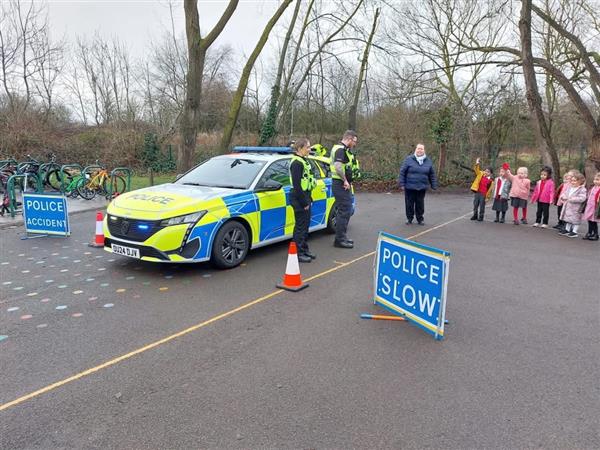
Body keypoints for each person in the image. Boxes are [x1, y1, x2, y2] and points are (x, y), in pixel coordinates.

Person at [330, 130, 360, 248]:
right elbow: (338, 167)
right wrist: (345, 180)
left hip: (341, 184)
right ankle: (339, 240)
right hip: (340, 184)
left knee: (345, 210)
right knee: (344, 210)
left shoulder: (342, 149)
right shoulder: (340, 149)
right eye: (354, 141)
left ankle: (342, 237)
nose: (355, 144)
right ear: (349, 138)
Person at [289, 138, 317, 262]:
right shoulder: (296, 163)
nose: (309, 149)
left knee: (305, 226)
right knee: (300, 227)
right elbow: (297, 185)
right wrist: (304, 202)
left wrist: (309, 198)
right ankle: (298, 253)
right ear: (300, 148)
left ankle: (304, 249)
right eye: (308, 147)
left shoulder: (303, 160)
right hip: (299, 198)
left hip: (305, 196)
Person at [398, 143, 438, 225]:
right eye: (418, 149)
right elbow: (402, 172)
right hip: (409, 187)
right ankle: (409, 218)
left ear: (424, 150)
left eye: (421, 149)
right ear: (415, 150)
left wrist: (434, 185)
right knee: (409, 203)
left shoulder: (428, 161)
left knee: (420, 204)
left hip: (422, 187)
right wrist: (402, 184)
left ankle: (420, 219)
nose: (420, 150)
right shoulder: (409, 159)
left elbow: (432, 174)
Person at [558, 171, 587, 238]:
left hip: (576, 208)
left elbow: (582, 198)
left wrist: (571, 199)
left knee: (575, 220)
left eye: (575, 181)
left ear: (580, 182)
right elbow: (564, 193)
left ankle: (574, 231)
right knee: (568, 219)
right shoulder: (570, 187)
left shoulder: (582, 189)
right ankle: (567, 230)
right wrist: (563, 197)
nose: (572, 182)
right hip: (568, 206)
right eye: (572, 180)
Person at [582, 172, 600, 241]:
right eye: (595, 179)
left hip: (595, 208)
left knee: (593, 221)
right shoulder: (593, 187)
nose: (596, 181)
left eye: (598, 180)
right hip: (589, 206)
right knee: (589, 220)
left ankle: (595, 234)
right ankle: (589, 233)